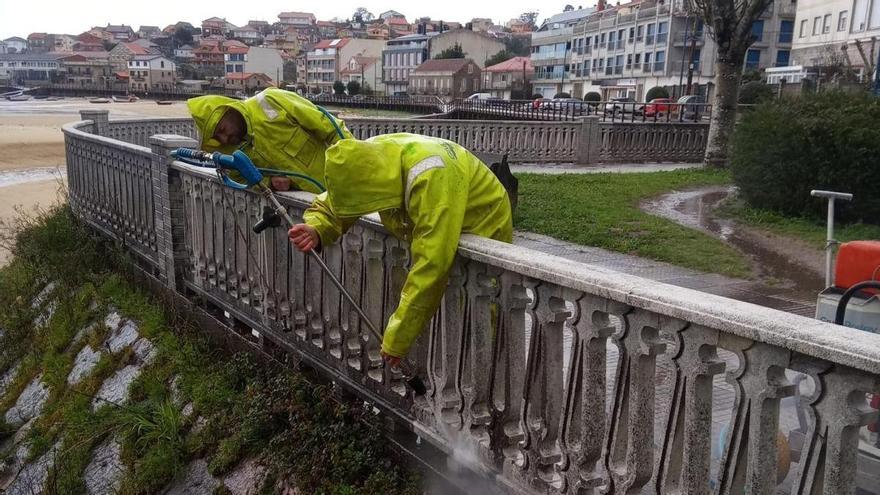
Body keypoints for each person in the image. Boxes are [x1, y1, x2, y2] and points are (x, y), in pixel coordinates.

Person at [288, 134, 513, 366]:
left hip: (482, 222)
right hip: (439, 204)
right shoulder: (368, 161)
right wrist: (317, 228)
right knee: (441, 307)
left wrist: (398, 337)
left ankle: (482, 369)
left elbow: (432, 262)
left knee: (482, 308)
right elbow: (336, 201)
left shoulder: (430, 175)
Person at [187, 88, 352, 193]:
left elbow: (330, 127)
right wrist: (270, 183)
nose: (224, 138)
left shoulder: (271, 100)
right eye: (217, 138)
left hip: (346, 181)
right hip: (316, 206)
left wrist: (354, 164)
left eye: (222, 130)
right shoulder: (233, 151)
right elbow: (239, 178)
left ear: (229, 110)